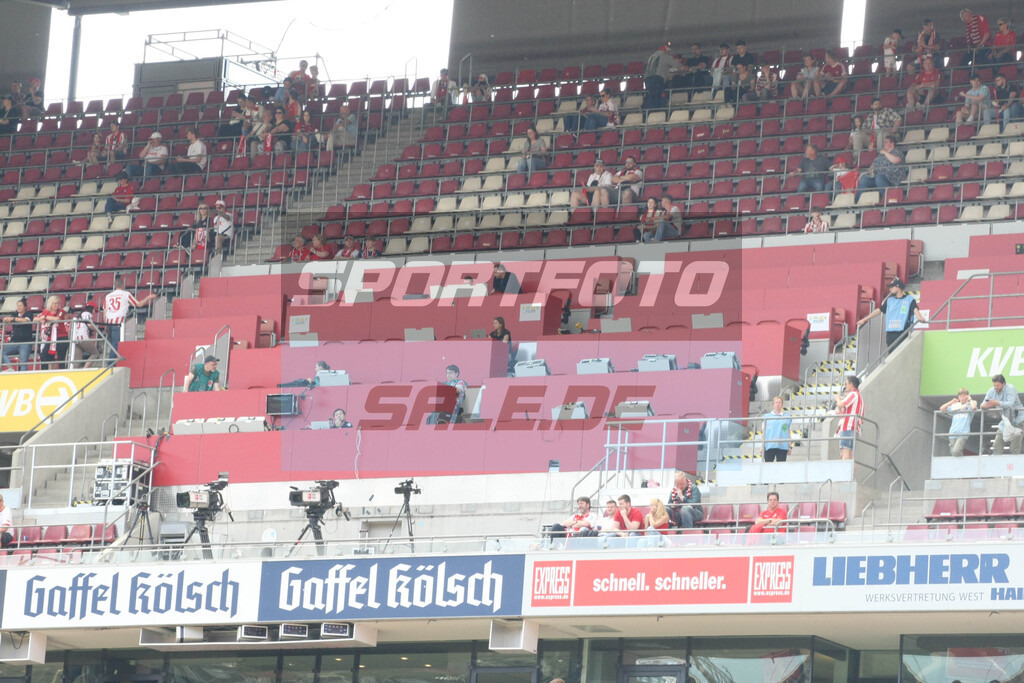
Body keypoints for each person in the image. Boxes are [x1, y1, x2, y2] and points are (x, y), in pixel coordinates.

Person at [857, 277, 927, 349]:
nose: (890, 289)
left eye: (892, 287)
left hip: (903, 332)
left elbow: (915, 309)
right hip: (890, 334)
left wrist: (919, 318)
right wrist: (864, 319)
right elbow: (879, 310)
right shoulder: (889, 300)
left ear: (897, 287)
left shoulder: (909, 299)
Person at [103, 277, 157, 357]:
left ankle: (113, 362)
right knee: (116, 344)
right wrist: (148, 297)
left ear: (115, 286)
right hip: (118, 322)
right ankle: (110, 365)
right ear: (122, 285)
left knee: (113, 344)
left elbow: (104, 311)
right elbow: (139, 304)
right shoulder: (126, 294)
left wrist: (105, 324)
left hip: (109, 322)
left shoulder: (108, 296)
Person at [981, 374, 1024, 455]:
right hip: (1005, 422)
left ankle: (1013, 466)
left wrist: (996, 403)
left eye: (998, 385)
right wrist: (986, 405)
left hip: (1018, 421)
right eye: (994, 385)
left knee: (1014, 449)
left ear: (1004, 384)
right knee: (996, 446)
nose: (996, 387)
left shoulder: (1010, 388)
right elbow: (982, 405)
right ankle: (997, 466)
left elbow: (1010, 403)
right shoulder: (991, 391)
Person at [855, 135, 906, 201]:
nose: (884, 143)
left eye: (886, 142)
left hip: (892, 176)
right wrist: (871, 170)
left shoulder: (897, 152)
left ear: (892, 143)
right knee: (864, 179)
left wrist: (885, 152)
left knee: (879, 177)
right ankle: (858, 202)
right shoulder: (880, 155)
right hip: (878, 176)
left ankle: (887, 199)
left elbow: (896, 160)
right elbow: (873, 165)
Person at [835, 375, 864, 460]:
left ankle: (845, 473)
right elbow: (862, 420)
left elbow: (840, 404)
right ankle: (851, 473)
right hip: (855, 429)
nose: (845, 386)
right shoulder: (860, 398)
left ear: (851, 384)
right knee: (851, 456)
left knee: (845, 453)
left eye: (846, 384)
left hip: (848, 427)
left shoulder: (853, 394)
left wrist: (837, 399)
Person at [35, 296, 70, 369]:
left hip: (61, 336)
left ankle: (62, 372)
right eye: (54, 303)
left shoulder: (61, 311)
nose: (56, 305)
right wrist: (43, 318)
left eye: (57, 303)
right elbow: (36, 319)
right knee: (44, 355)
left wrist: (45, 317)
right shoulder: (46, 311)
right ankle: (45, 372)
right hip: (50, 338)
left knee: (61, 358)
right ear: (50, 304)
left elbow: (57, 319)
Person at [941, 389, 977, 457]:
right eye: (961, 396)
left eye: (964, 396)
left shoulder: (969, 406)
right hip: (952, 433)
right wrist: (951, 401)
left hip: (963, 433)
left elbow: (974, 408)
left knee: (956, 451)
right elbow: (942, 408)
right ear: (958, 397)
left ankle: (962, 463)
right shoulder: (955, 407)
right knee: (953, 454)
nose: (963, 398)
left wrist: (970, 399)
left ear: (967, 396)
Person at [644, 44, 681, 110]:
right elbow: (678, 66)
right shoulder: (665, 56)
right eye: (668, 52)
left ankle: (649, 111)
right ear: (665, 51)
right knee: (659, 97)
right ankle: (659, 111)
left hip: (647, 80)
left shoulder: (651, 57)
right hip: (657, 79)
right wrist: (670, 71)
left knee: (651, 96)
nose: (669, 53)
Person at [2, 298, 34, 370]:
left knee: (23, 362)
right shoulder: (15, 314)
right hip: (14, 342)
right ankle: (10, 369)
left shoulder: (29, 313)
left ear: (25, 307)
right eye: (18, 306)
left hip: (25, 343)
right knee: (1, 352)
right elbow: (6, 319)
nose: (18, 307)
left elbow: (26, 320)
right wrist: (6, 319)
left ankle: (23, 379)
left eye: (20, 305)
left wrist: (13, 319)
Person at [68, 302, 101, 368]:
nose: (94, 312)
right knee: (95, 353)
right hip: (83, 337)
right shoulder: (87, 314)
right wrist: (96, 330)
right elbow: (89, 324)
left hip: (76, 338)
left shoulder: (78, 315)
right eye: (94, 310)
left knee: (77, 359)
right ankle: (85, 369)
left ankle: (74, 372)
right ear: (92, 308)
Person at [762, 396, 793, 462]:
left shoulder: (786, 417)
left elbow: (787, 432)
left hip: (782, 446)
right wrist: (762, 445)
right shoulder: (766, 417)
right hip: (769, 445)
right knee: (768, 467)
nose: (778, 404)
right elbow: (764, 432)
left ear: (782, 404)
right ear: (773, 404)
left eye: (779, 402)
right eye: (776, 402)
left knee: (781, 467)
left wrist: (790, 446)